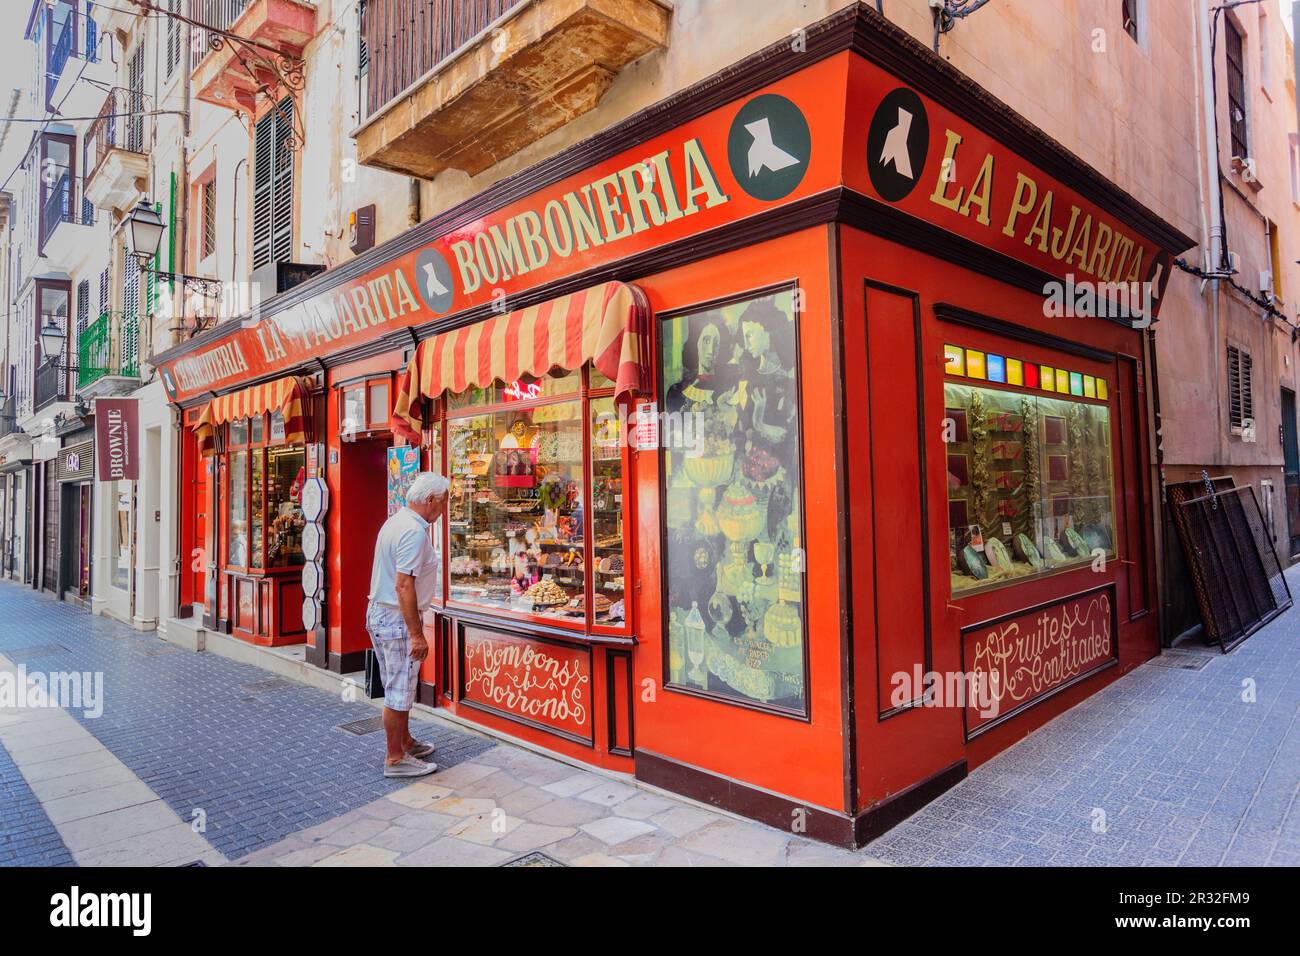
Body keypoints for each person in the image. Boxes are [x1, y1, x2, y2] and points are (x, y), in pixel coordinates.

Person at [366, 471, 449, 777]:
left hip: (380, 611)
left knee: (397, 684)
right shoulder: (415, 532)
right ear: (430, 500)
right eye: (443, 503)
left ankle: (404, 741)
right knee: (399, 690)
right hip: (395, 618)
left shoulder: (396, 521)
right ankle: (395, 758)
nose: (443, 511)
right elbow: (404, 585)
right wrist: (416, 634)